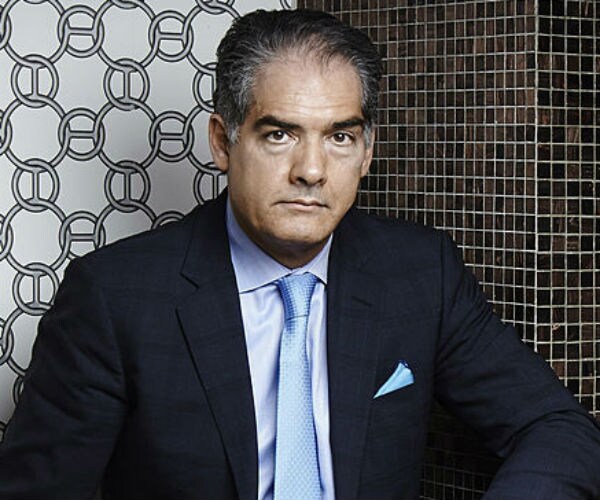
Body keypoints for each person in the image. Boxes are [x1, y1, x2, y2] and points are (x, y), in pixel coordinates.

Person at [0, 8, 599, 500]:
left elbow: (560, 429)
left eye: (340, 137)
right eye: (279, 134)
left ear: (366, 153)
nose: (311, 171)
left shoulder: (420, 272)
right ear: (223, 142)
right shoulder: (114, 298)